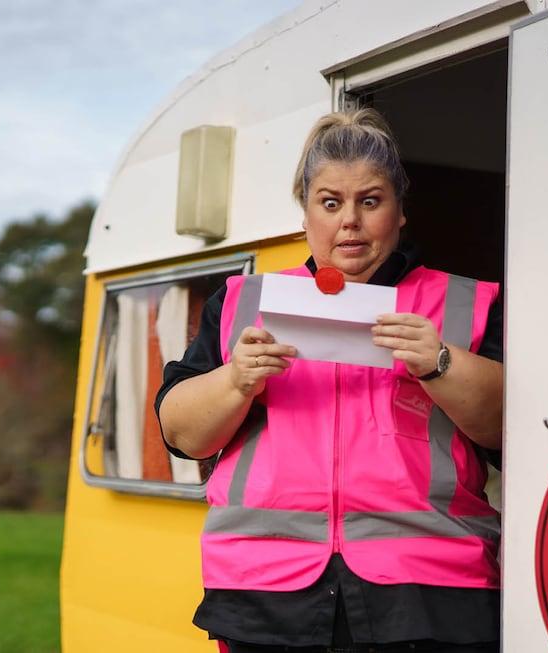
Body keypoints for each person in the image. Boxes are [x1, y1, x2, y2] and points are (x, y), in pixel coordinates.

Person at [155, 108, 503, 652]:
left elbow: (513, 431)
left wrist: (440, 363)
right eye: (331, 202)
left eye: (370, 201)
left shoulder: (466, 303)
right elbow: (180, 435)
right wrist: (235, 382)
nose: (350, 222)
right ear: (305, 214)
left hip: (429, 594)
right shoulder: (242, 302)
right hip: (264, 593)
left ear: (400, 210)